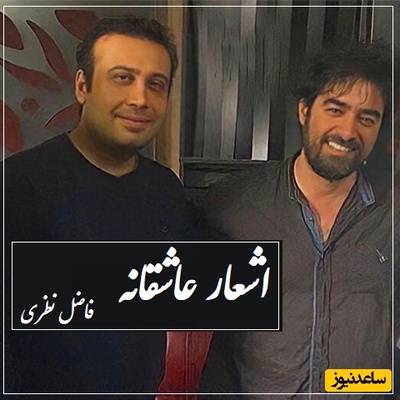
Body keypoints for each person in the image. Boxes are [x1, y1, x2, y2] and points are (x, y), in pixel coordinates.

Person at [3, 14, 200, 395]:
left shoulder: (165, 189)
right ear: (83, 86)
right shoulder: (18, 187)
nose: (140, 99)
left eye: (156, 84)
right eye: (122, 77)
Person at [198, 40, 398, 398]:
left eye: (367, 118)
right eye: (335, 110)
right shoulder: (233, 206)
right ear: (304, 110)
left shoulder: (392, 214)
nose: (348, 132)